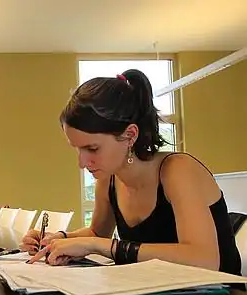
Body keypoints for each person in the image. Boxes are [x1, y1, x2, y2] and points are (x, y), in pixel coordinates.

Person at [22, 69, 241, 276]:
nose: (82, 162)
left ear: (130, 135)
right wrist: (56, 239)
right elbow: (98, 234)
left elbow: (205, 260)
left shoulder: (177, 170)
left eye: (92, 148)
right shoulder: (108, 177)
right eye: (78, 149)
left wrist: (99, 246)